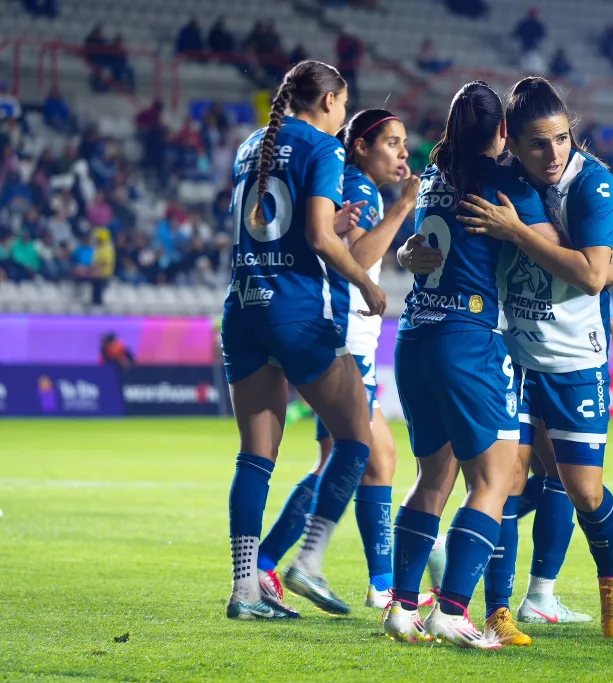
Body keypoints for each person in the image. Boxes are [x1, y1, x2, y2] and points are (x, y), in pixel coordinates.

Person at [455, 76, 613, 639]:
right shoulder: (502, 180)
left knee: (584, 491)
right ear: (512, 141)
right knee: (504, 483)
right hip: (514, 355)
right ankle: (498, 611)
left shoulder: (594, 183)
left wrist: (518, 232)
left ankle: (612, 579)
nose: (553, 154)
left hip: (576, 361)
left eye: (561, 139)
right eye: (538, 143)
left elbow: (588, 277)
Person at [381, 81, 553, 649]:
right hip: (466, 337)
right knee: (495, 480)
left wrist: (406, 253)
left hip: (414, 336)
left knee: (433, 477)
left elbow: (413, 249)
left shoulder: (433, 178)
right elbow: (555, 253)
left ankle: (403, 606)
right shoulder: (506, 185)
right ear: (504, 132)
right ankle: (452, 609)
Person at [220, 59, 386, 620]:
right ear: (332, 100)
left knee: (255, 457)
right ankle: (309, 559)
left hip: (243, 307)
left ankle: (245, 590)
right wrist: (365, 279)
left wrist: (327, 229)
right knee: (356, 440)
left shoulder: (251, 146)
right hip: (297, 313)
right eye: (343, 101)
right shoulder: (324, 147)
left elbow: (272, 225)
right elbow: (318, 236)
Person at [255, 109, 424, 613]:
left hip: (351, 338)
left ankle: (378, 582)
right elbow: (354, 257)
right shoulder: (360, 188)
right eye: (391, 143)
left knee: (375, 461)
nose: (401, 153)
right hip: (345, 338)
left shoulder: (356, 186)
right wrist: (402, 210)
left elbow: (358, 251)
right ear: (360, 148)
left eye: (404, 143)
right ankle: (273, 565)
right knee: (354, 459)